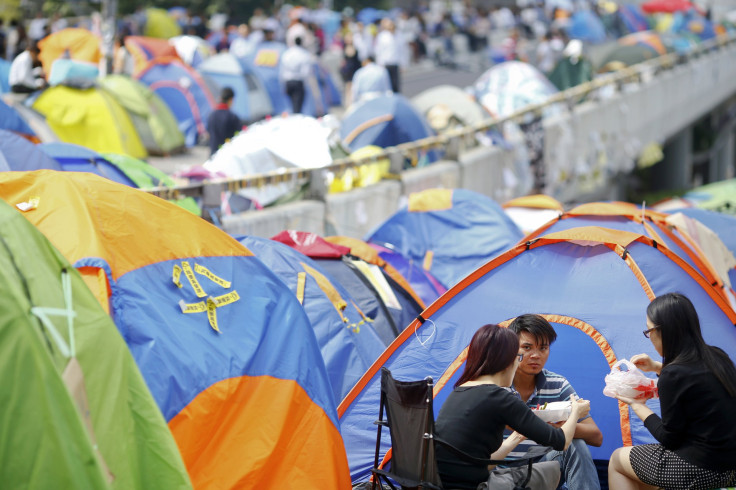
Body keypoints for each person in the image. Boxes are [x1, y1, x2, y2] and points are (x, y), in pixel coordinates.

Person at [435, 323, 591, 490]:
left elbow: (481, 463)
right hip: (482, 486)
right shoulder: (499, 397)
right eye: (519, 356)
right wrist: (575, 411)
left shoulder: (461, 391)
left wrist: (518, 435)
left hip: (446, 484)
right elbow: (561, 441)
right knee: (558, 462)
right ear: (507, 359)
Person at [608, 293, 736, 489]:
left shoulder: (672, 375)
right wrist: (656, 367)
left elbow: (670, 439)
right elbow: (693, 379)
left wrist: (637, 405)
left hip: (703, 469)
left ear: (662, 331)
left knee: (617, 460)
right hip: (731, 467)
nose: (649, 336)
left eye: (648, 330)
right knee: (642, 475)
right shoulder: (718, 356)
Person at [505, 315, 603, 489]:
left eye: (543, 348)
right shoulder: (498, 384)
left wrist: (561, 426)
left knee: (575, 443)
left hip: (543, 466)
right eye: (527, 347)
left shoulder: (557, 384)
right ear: (511, 348)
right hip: (501, 470)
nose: (536, 355)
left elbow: (596, 436)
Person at [279, 36, 313, 114]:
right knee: (298, 106)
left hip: (287, 81)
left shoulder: (287, 53)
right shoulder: (304, 54)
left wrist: (282, 82)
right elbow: (305, 72)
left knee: (290, 105)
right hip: (298, 82)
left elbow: (282, 69)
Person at [206, 87, 241, 156]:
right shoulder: (232, 117)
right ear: (231, 100)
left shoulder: (211, 115)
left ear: (220, 98)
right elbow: (238, 136)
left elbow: (208, 134)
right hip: (227, 156)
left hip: (213, 155)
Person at [374, 18, 400, 93]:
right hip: (386, 63)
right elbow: (379, 51)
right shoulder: (382, 36)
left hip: (395, 61)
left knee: (395, 84)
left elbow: (401, 49)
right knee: (387, 85)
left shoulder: (397, 35)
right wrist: (380, 63)